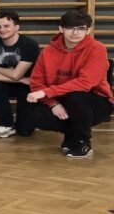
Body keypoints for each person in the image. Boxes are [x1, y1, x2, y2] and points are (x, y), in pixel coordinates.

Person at [27, 9, 114, 158]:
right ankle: (72, 135)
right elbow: (36, 83)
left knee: (77, 97)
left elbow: (86, 83)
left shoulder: (97, 49)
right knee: (33, 114)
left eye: (81, 28)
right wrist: (53, 104)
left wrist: (48, 92)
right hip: (62, 98)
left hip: (97, 101)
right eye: (70, 28)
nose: (75, 32)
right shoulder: (48, 52)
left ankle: (82, 142)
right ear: (61, 29)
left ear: (88, 30)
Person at [0, 10, 39, 138]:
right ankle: (5, 124)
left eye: (6, 26)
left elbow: (16, 74)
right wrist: (21, 79)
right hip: (13, 83)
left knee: (24, 131)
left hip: (27, 87)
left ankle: (24, 123)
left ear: (16, 27)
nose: (2, 30)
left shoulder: (29, 45)